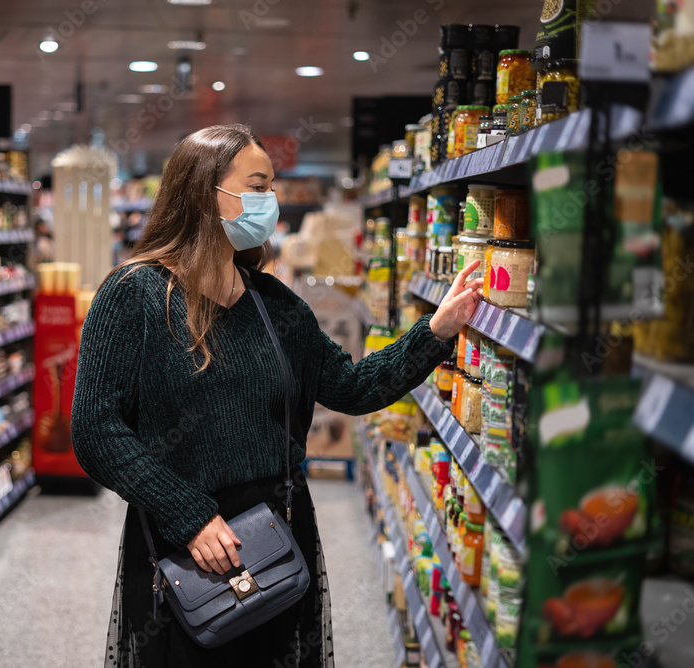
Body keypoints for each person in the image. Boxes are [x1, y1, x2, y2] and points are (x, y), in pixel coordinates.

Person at [71, 124, 483, 668]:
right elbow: (96, 431)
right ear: (204, 193)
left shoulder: (273, 304)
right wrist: (188, 515)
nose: (271, 202)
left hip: (277, 534)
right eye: (259, 186)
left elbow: (352, 386)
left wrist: (436, 330)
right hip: (186, 544)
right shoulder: (134, 296)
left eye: (272, 186)